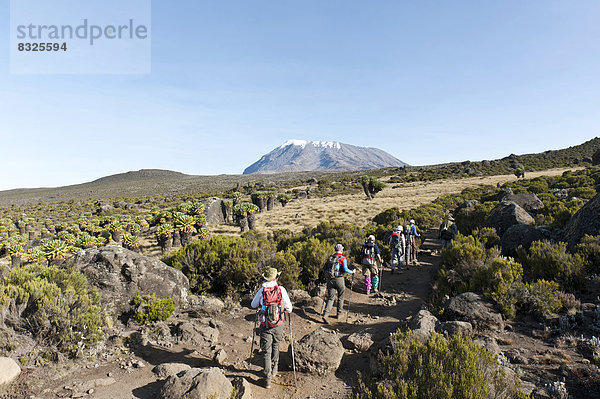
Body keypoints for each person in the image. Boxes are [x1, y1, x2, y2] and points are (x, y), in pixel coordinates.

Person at [251, 267, 293, 389]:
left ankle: (267, 377)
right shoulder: (281, 290)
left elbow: (253, 304)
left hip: (265, 324)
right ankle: (274, 370)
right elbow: (289, 308)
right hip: (279, 323)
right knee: (276, 345)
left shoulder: (262, 290)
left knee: (266, 350)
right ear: (276, 278)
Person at [322, 244, 355, 323]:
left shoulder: (330, 258)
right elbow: (345, 269)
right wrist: (352, 271)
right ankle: (339, 314)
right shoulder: (343, 258)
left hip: (330, 279)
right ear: (341, 250)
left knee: (331, 297)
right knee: (341, 296)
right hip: (339, 279)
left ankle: (325, 314)